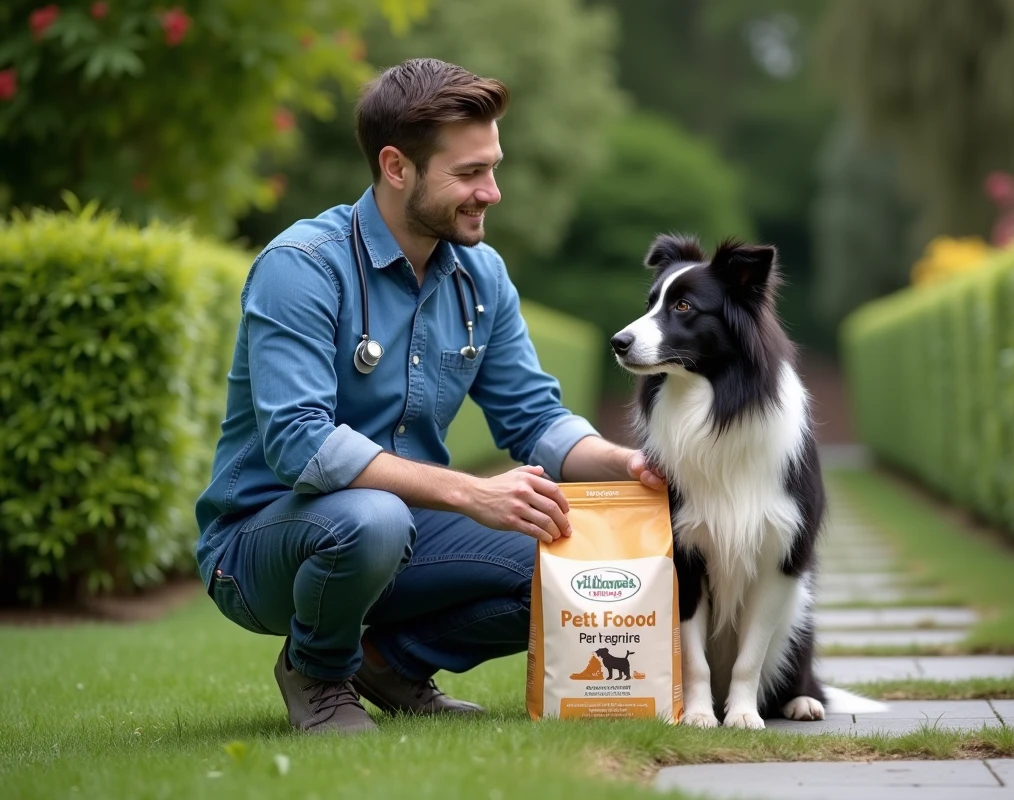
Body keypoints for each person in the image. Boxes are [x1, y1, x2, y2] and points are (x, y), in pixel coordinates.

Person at [193, 58, 665, 735]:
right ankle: (316, 673)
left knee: (578, 560)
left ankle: (389, 662)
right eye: (469, 174)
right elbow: (300, 443)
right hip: (262, 544)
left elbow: (534, 418)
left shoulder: (483, 275)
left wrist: (628, 465)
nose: (492, 192)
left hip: (404, 531)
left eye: (492, 167)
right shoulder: (300, 267)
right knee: (374, 518)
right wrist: (471, 493)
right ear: (396, 167)